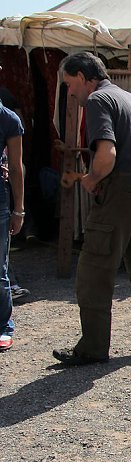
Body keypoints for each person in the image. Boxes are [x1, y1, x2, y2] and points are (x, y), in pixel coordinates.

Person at [52, 52, 131, 366]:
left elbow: (106, 155)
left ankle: (93, 348)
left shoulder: (98, 100)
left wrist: (92, 178)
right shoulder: (130, 98)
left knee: (95, 268)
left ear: (84, 77)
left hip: (123, 189)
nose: (70, 92)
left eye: (70, 84)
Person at [0, 65, 24, 352]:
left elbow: (17, 168)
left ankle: (4, 326)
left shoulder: (8, 118)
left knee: (0, 268)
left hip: (0, 199)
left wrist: (19, 210)